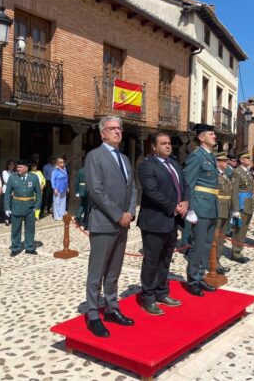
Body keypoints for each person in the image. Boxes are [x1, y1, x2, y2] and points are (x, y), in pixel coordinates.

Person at [84, 116, 137, 338]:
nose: (117, 131)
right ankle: (93, 313)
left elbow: (132, 187)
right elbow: (96, 191)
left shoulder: (124, 158)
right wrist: (118, 215)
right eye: (112, 128)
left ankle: (112, 308)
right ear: (102, 133)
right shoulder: (94, 156)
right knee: (97, 271)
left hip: (123, 223)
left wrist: (131, 212)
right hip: (104, 223)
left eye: (119, 128)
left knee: (114, 270)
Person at [137, 132, 189, 315]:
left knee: (165, 260)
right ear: (154, 146)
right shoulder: (146, 166)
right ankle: (148, 297)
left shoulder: (174, 164)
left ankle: (161, 292)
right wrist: (174, 206)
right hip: (154, 221)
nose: (168, 146)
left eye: (169, 143)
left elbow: (185, 186)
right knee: (152, 261)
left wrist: (185, 202)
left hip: (172, 221)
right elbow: (152, 191)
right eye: (163, 143)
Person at [183, 123, 219, 296]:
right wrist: (189, 208)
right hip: (200, 206)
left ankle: (200, 276)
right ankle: (193, 280)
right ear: (201, 137)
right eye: (211, 134)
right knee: (198, 245)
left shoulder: (211, 156)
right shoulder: (196, 157)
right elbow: (188, 183)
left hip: (211, 205)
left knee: (206, 245)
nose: (214, 136)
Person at [5, 159, 42, 256]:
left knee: (30, 229)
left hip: (30, 207)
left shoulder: (33, 178)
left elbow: (38, 193)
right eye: (18, 167)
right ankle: (15, 247)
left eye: (20, 167)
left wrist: (37, 206)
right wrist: (7, 208)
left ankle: (29, 247)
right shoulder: (12, 178)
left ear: (26, 168)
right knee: (16, 229)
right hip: (16, 206)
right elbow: (7, 194)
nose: (18, 169)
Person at [229, 151, 254, 263]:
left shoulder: (247, 172)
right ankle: (236, 253)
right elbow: (234, 192)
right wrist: (235, 209)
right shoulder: (237, 172)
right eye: (247, 158)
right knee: (238, 229)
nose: (249, 160)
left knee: (244, 229)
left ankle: (239, 250)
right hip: (241, 204)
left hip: (248, 204)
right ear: (242, 160)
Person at [1, 159, 16, 225]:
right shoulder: (5, 172)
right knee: (7, 205)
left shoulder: (15, 172)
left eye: (12, 164)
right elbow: (6, 180)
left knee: (13, 205)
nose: (11, 166)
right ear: (7, 165)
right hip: (6, 190)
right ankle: (7, 219)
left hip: (14, 191)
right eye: (10, 164)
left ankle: (12, 218)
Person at [74, 160, 88, 228]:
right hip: (88, 189)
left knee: (82, 204)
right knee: (87, 205)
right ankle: (85, 220)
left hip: (82, 189)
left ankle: (78, 217)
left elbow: (77, 182)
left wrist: (77, 191)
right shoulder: (91, 171)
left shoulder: (80, 171)